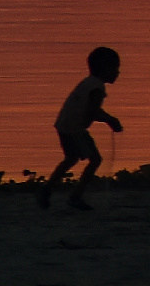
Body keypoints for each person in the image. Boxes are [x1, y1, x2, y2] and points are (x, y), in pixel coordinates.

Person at [38, 46, 123, 211]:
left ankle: (47, 189)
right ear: (105, 69)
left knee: (71, 158)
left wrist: (107, 119)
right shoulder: (97, 88)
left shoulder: (88, 82)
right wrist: (111, 120)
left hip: (65, 124)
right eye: (115, 68)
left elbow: (90, 111)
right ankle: (75, 196)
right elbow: (93, 111)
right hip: (74, 128)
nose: (117, 73)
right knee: (95, 160)